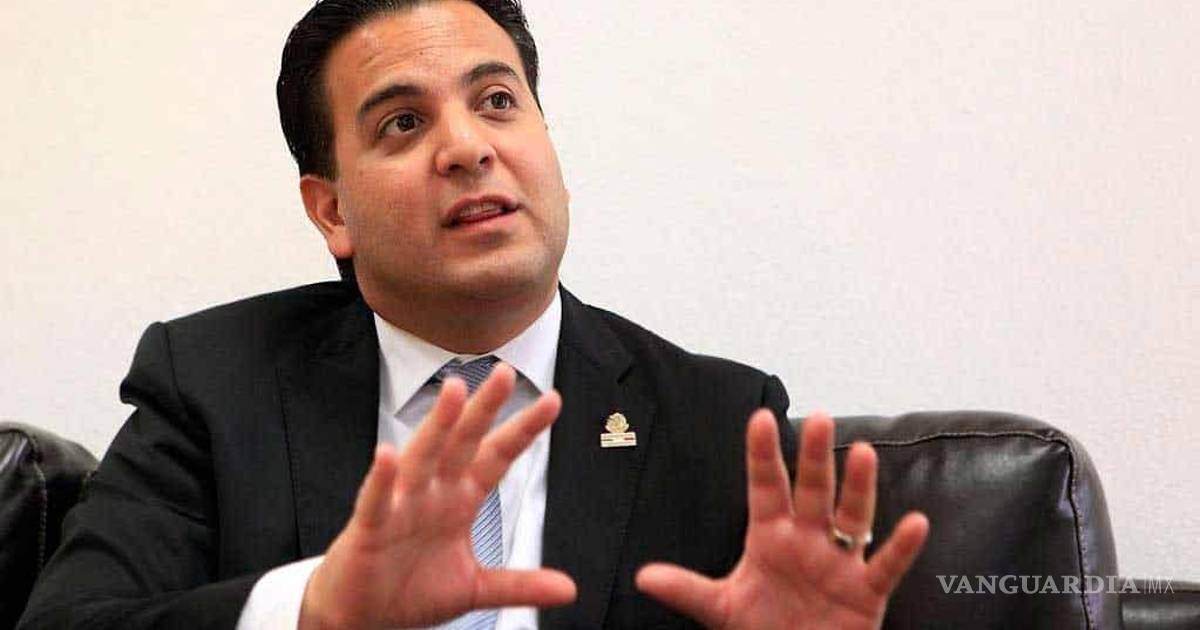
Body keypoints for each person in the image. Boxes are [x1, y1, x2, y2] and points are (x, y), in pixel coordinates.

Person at [19, 1, 929, 628]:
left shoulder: (718, 422)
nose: (467, 147)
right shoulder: (213, 386)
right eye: (403, 123)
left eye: (497, 101)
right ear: (331, 211)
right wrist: (315, 611)